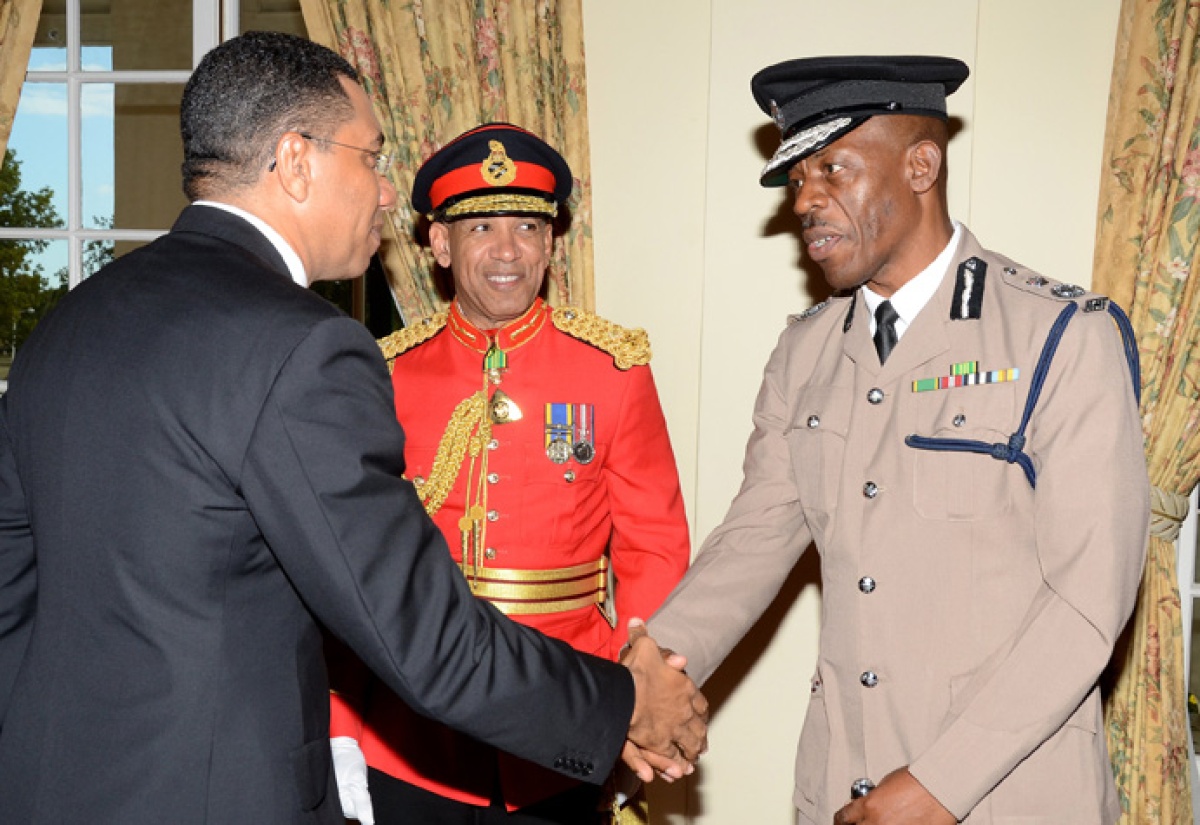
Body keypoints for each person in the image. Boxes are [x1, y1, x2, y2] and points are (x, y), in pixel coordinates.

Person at [0, 31, 707, 824]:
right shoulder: (302, 345)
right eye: (369, 157)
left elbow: (10, 593)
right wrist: (625, 704)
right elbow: (425, 637)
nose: (381, 192)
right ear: (298, 161)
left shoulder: (66, 325)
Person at [646, 55, 1149, 825]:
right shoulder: (804, 353)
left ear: (922, 164)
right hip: (844, 781)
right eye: (797, 178)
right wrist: (651, 665)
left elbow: (1090, 601)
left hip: (1012, 791)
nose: (805, 200)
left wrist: (941, 782)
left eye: (832, 169)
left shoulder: (1059, 336)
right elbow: (751, 539)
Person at [327, 123, 691, 825]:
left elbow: (654, 547)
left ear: (551, 242)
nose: (506, 251)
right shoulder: (384, 374)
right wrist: (342, 720)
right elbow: (349, 569)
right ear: (439, 244)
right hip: (410, 732)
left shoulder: (612, 370)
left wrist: (636, 696)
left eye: (527, 225)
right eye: (481, 227)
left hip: (566, 722)